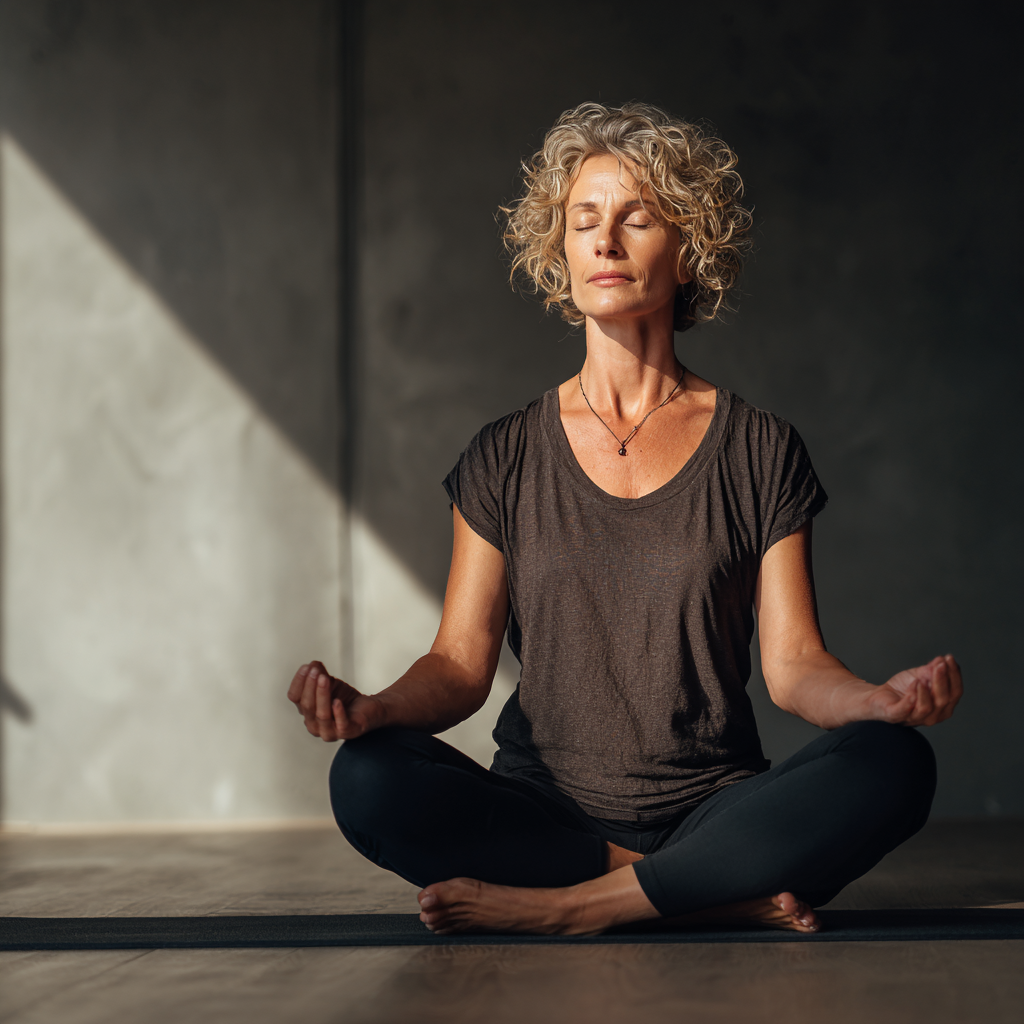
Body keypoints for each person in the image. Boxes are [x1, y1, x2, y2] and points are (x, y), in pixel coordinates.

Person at [287, 102, 962, 936]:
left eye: (637, 218)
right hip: (547, 817)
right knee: (368, 779)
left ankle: (579, 909)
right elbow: (460, 666)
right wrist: (373, 710)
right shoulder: (503, 455)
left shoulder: (759, 447)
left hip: (714, 809)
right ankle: (695, 893)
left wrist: (876, 702)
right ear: (559, 252)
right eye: (583, 221)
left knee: (894, 763)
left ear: (689, 252)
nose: (604, 241)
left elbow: (793, 667)